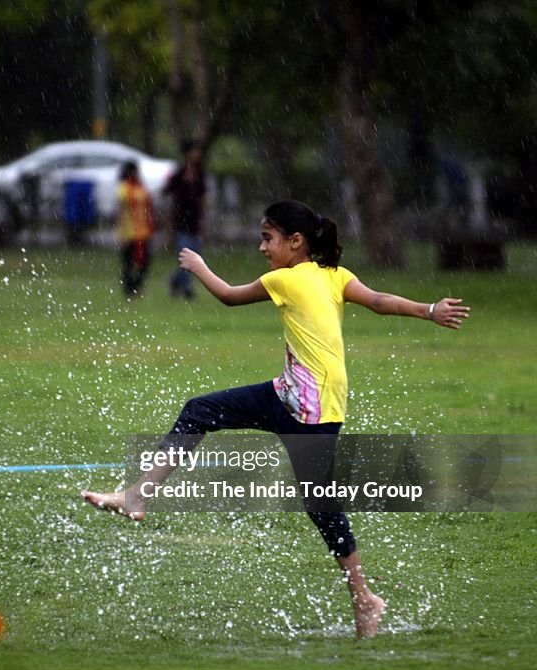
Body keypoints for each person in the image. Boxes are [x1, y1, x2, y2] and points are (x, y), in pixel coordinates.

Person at [82, 199, 470, 638]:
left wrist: (197, 265)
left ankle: (365, 599)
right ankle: (137, 495)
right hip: (287, 397)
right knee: (200, 411)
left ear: (295, 241)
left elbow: (228, 296)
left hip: (311, 412)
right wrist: (428, 310)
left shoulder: (285, 278)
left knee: (321, 505)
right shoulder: (334, 275)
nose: (262, 247)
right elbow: (379, 301)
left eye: (268, 238)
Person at [163, 140, 207, 299]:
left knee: (195, 257)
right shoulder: (179, 174)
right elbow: (167, 192)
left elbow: (203, 198)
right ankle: (187, 289)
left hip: (194, 222)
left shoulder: (200, 174)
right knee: (186, 256)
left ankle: (175, 280)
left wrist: (204, 219)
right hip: (181, 223)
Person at [117, 161, 155, 297]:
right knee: (128, 262)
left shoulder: (141, 187)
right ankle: (129, 289)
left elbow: (148, 207)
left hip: (143, 231)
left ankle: (137, 285)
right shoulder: (124, 188)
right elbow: (120, 211)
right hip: (129, 231)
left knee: (145, 261)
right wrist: (121, 233)